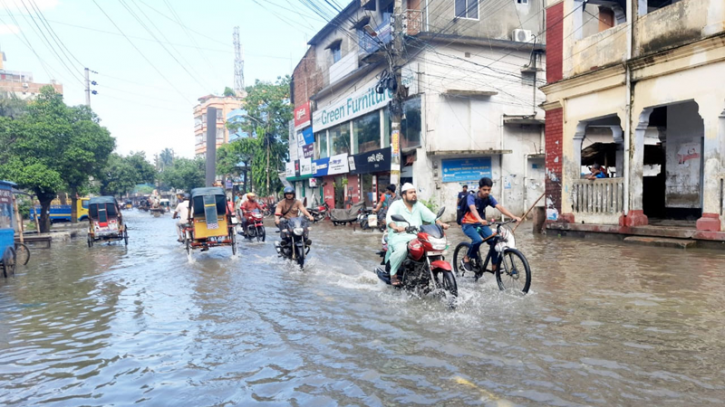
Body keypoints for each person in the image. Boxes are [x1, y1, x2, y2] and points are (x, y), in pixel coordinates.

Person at [385, 183, 450, 286]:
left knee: (433, 247)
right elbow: (390, 218)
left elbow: (431, 217)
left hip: (417, 236)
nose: (414, 194)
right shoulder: (396, 205)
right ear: (404, 195)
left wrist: (441, 224)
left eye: (414, 192)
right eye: (411, 192)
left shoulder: (418, 205)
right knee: (402, 250)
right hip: (399, 236)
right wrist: (396, 227)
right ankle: (393, 275)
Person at [461, 177, 521, 273]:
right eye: (484, 189)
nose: (487, 192)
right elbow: (473, 209)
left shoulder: (489, 198)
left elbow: (500, 208)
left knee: (494, 241)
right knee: (477, 240)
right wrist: (480, 219)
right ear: (479, 188)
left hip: (481, 224)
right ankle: (466, 258)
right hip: (467, 224)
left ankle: (494, 265)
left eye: (489, 190)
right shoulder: (471, 197)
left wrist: (513, 217)